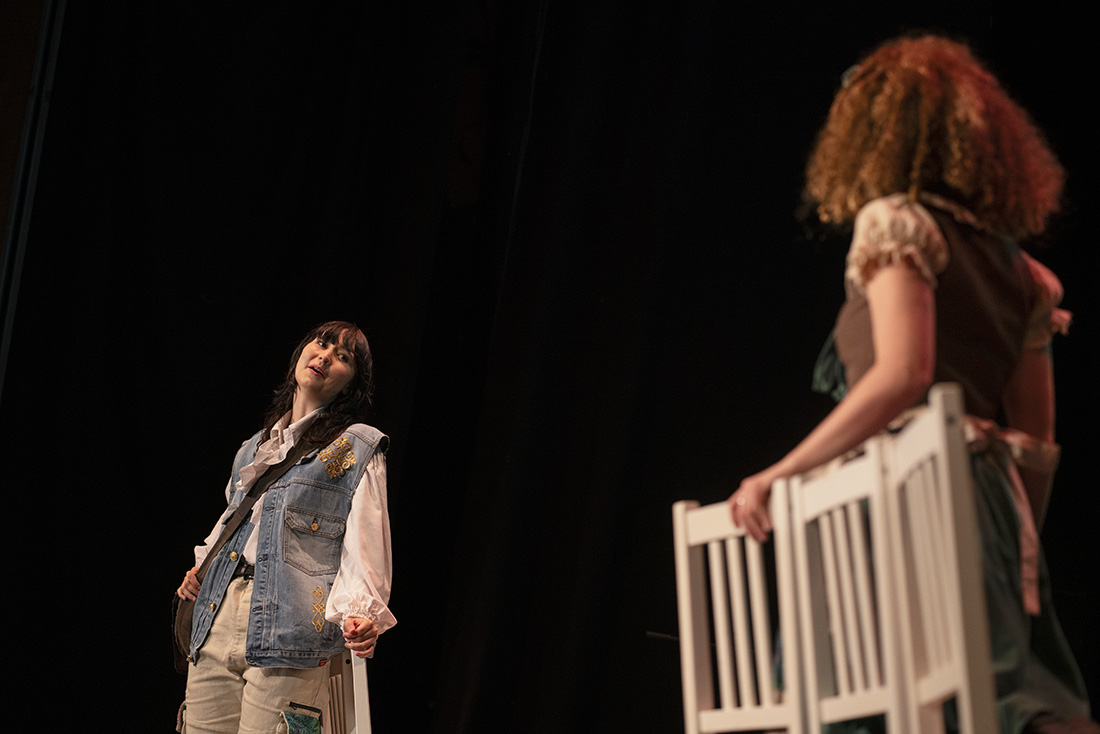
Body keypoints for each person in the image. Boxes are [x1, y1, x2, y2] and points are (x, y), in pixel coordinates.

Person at [727, 36, 1096, 734]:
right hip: (987, 500)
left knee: (861, 696)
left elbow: (902, 376)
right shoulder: (1027, 276)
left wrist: (778, 473)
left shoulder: (897, 223)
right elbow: (1036, 444)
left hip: (894, 490)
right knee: (990, 701)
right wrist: (1014, 543)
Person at [175, 321, 395, 733]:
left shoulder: (356, 446)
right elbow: (232, 518)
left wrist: (361, 612)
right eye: (321, 344)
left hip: (290, 628)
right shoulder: (254, 447)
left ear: (351, 384)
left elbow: (364, 540)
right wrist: (203, 565)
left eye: (342, 357)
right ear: (301, 352)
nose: (325, 356)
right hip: (218, 612)